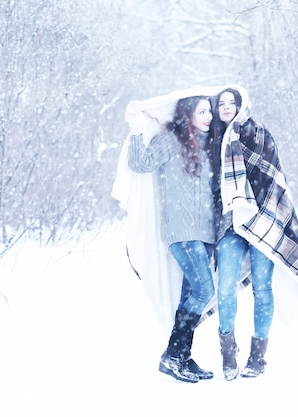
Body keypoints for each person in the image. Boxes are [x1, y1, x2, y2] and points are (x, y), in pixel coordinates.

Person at [210, 87, 298, 380]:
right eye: (222, 104)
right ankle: (228, 354)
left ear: (242, 105)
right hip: (229, 224)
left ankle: (257, 357)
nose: (227, 107)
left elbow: (272, 176)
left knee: (262, 289)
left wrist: (254, 205)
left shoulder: (258, 133)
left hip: (261, 220)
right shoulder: (215, 138)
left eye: (232, 103)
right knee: (225, 288)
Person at [126, 96, 217, 383]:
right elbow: (140, 163)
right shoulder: (169, 141)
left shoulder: (209, 144)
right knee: (203, 291)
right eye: (202, 111)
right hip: (182, 230)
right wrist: (137, 127)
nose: (209, 116)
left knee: (190, 295)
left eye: (210, 110)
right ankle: (172, 355)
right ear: (188, 113)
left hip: (205, 233)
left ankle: (183, 358)